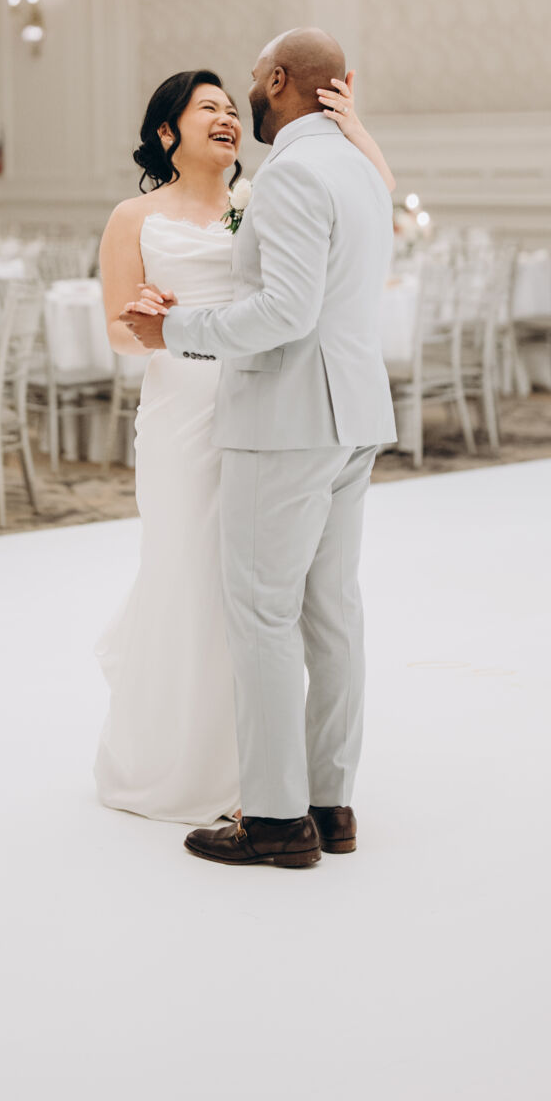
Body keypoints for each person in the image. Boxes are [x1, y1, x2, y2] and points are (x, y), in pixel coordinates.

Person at [94, 54, 394, 828]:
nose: (228, 116)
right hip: (182, 414)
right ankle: (186, 762)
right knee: (189, 571)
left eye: (233, 106)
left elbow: (351, 224)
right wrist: (152, 323)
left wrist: (355, 130)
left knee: (261, 597)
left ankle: (251, 776)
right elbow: (120, 333)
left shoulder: (265, 195)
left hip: (264, 404)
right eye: (208, 108)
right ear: (167, 133)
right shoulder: (133, 218)